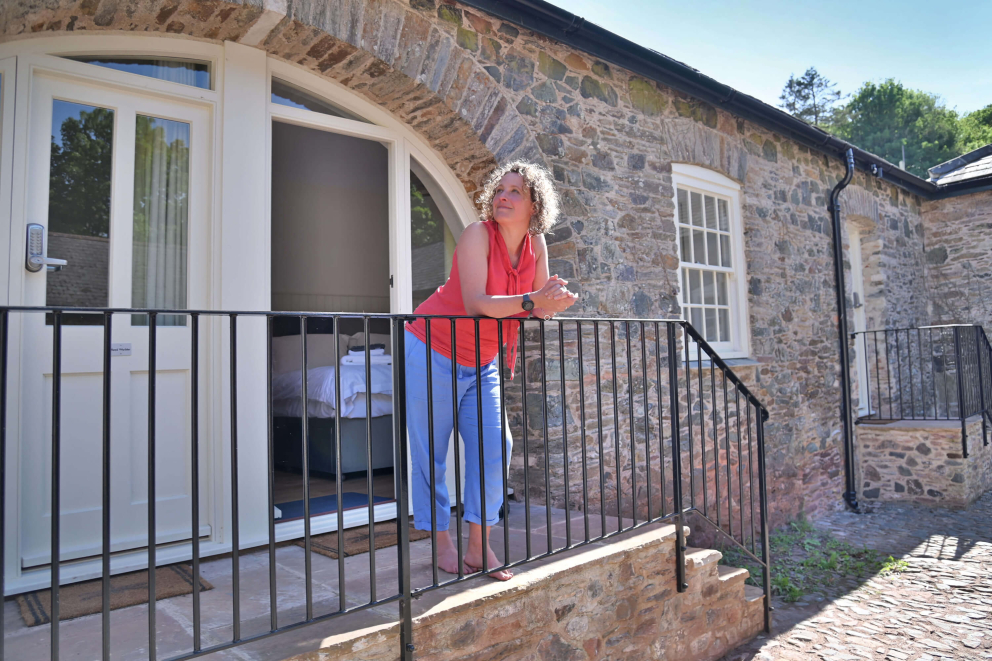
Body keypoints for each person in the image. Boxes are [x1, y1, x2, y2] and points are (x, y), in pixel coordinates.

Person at [404, 162, 578, 581]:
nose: (503, 196)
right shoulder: (477, 235)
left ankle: (479, 547)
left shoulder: (536, 243)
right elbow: (476, 304)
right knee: (432, 452)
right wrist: (535, 300)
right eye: (500, 189)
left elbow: (534, 310)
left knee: (495, 446)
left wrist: (553, 303)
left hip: (483, 361)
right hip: (433, 347)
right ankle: (441, 542)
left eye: (515, 191)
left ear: (534, 203)